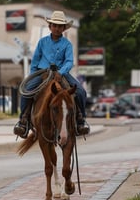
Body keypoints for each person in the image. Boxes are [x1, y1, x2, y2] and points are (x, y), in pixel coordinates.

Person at [13, 10, 90, 138]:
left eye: (60, 26)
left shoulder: (67, 44)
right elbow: (35, 60)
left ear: (64, 28)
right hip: (42, 73)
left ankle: (81, 121)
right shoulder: (42, 42)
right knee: (26, 90)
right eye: (54, 25)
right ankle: (23, 121)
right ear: (50, 27)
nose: (57, 28)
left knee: (81, 91)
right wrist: (33, 76)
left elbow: (69, 61)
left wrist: (61, 72)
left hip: (62, 73)